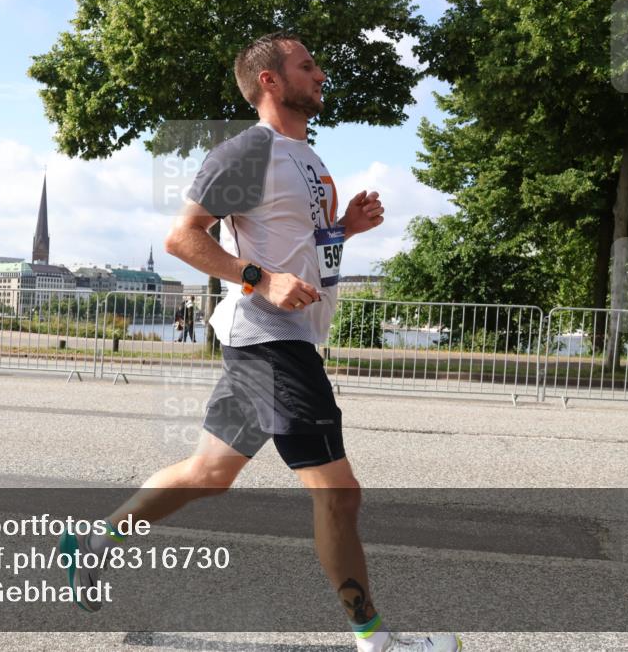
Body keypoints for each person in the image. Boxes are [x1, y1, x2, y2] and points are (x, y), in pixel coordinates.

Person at [59, 32, 460, 652]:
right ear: (270, 80)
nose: (320, 74)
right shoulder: (249, 150)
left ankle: (95, 541)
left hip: (274, 339)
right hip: (272, 341)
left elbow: (302, 247)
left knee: (210, 473)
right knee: (339, 494)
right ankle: (376, 643)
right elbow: (183, 238)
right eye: (307, 65)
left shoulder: (310, 158)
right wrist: (260, 278)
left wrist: (344, 229)